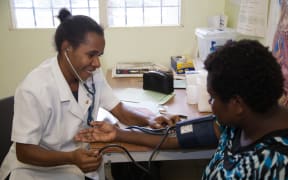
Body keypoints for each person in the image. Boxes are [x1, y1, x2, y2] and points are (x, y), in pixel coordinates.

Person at [0, 8, 180, 180]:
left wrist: (149, 120)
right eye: (91, 55)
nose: (97, 63)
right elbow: (25, 152)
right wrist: (71, 158)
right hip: (35, 172)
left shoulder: (90, 73)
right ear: (67, 48)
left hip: (78, 164)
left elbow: (119, 109)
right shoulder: (35, 88)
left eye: (99, 55)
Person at [75, 39, 288, 179]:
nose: (211, 106)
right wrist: (119, 133)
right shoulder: (239, 124)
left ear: (237, 104)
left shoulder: (278, 163)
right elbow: (176, 138)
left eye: (212, 98)